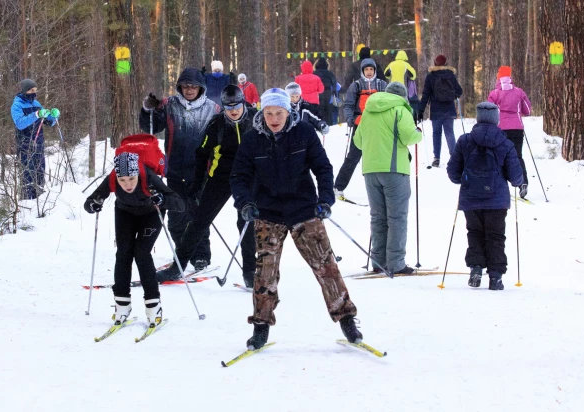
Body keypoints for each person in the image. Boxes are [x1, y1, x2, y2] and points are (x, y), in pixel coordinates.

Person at [230, 88, 362, 349]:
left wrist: (325, 199)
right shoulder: (251, 140)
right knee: (265, 272)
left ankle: (347, 319)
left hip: (303, 209)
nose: (274, 118)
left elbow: (323, 168)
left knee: (326, 265)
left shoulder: (303, 133)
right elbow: (239, 177)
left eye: (279, 113)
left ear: (287, 112)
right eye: (268, 113)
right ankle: (261, 326)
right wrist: (245, 202)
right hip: (267, 212)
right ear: (262, 113)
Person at [84, 152, 186, 326]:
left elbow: (179, 203)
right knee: (123, 253)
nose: (127, 184)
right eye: (122, 180)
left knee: (141, 253)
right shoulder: (112, 178)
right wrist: (93, 204)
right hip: (125, 212)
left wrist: (161, 200)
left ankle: (154, 307)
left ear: (137, 173)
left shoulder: (149, 177)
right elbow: (90, 201)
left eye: (131, 178)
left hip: (151, 214)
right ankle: (122, 305)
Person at [175, 85, 258, 287]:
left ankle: (250, 272)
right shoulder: (217, 123)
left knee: (246, 222)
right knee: (200, 220)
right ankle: (178, 264)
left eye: (237, 105)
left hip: (249, 178)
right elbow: (202, 152)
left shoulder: (256, 119)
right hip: (221, 177)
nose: (233, 110)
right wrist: (197, 181)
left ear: (243, 103)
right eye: (228, 107)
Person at [140, 67, 218, 280]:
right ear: (180, 87)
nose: (189, 90)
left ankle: (201, 256)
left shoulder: (213, 109)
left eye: (193, 86)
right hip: (175, 171)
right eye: (185, 86)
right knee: (176, 219)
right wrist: (148, 109)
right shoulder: (169, 105)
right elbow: (151, 127)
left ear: (201, 88)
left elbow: (223, 134)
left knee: (198, 217)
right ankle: (183, 252)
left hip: (200, 171)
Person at [446, 102, 523, 291]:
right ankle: (495, 276)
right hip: (497, 200)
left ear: (478, 118)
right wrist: (518, 181)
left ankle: (476, 269)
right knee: (496, 236)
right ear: (496, 118)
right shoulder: (505, 142)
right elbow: (515, 175)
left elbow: (453, 171)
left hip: (471, 198)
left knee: (475, 233)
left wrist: (461, 179)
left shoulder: (465, 141)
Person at [353, 82, 423, 275]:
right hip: (394, 170)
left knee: (378, 217)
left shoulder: (368, 111)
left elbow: (358, 141)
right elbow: (409, 136)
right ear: (403, 96)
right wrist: (418, 134)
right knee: (397, 217)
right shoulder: (401, 110)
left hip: (370, 170)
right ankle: (396, 262)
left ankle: (378, 260)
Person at [334, 58, 387, 198]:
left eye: (371, 69)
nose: (369, 72)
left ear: (375, 71)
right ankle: (338, 186)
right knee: (353, 157)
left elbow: (389, 104)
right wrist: (350, 118)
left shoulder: (382, 85)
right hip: (361, 126)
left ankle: (383, 189)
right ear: (362, 71)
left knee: (380, 158)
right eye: (366, 70)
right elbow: (348, 105)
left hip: (379, 127)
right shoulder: (356, 86)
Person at [10, 79, 60, 200]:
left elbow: (48, 122)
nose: (34, 92)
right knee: (28, 173)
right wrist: (36, 115)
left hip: (39, 142)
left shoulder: (36, 104)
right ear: (24, 91)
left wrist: (54, 115)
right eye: (31, 90)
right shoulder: (17, 105)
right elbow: (20, 124)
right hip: (25, 144)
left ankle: (40, 199)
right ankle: (28, 200)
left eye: (35, 90)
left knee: (40, 170)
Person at [488, 66, 532, 199]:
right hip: (517, 128)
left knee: (499, 156)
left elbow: (489, 111)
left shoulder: (494, 93)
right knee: (517, 156)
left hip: (501, 129)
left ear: (498, 77)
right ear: (510, 77)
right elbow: (528, 110)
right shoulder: (519, 92)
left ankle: (500, 185)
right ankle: (522, 182)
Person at [417, 54, 463, 168]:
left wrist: (421, 111)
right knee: (449, 133)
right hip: (449, 109)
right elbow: (459, 91)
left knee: (436, 134)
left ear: (435, 63)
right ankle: (453, 157)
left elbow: (426, 95)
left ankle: (436, 158)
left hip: (436, 110)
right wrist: (453, 95)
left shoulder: (431, 76)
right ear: (446, 63)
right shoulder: (451, 75)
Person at [313, 57, 338, 125]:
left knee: (319, 107)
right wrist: (334, 91)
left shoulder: (314, 73)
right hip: (327, 91)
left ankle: (319, 122)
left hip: (317, 91)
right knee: (328, 107)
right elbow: (334, 82)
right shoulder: (329, 73)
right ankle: (329, 123)